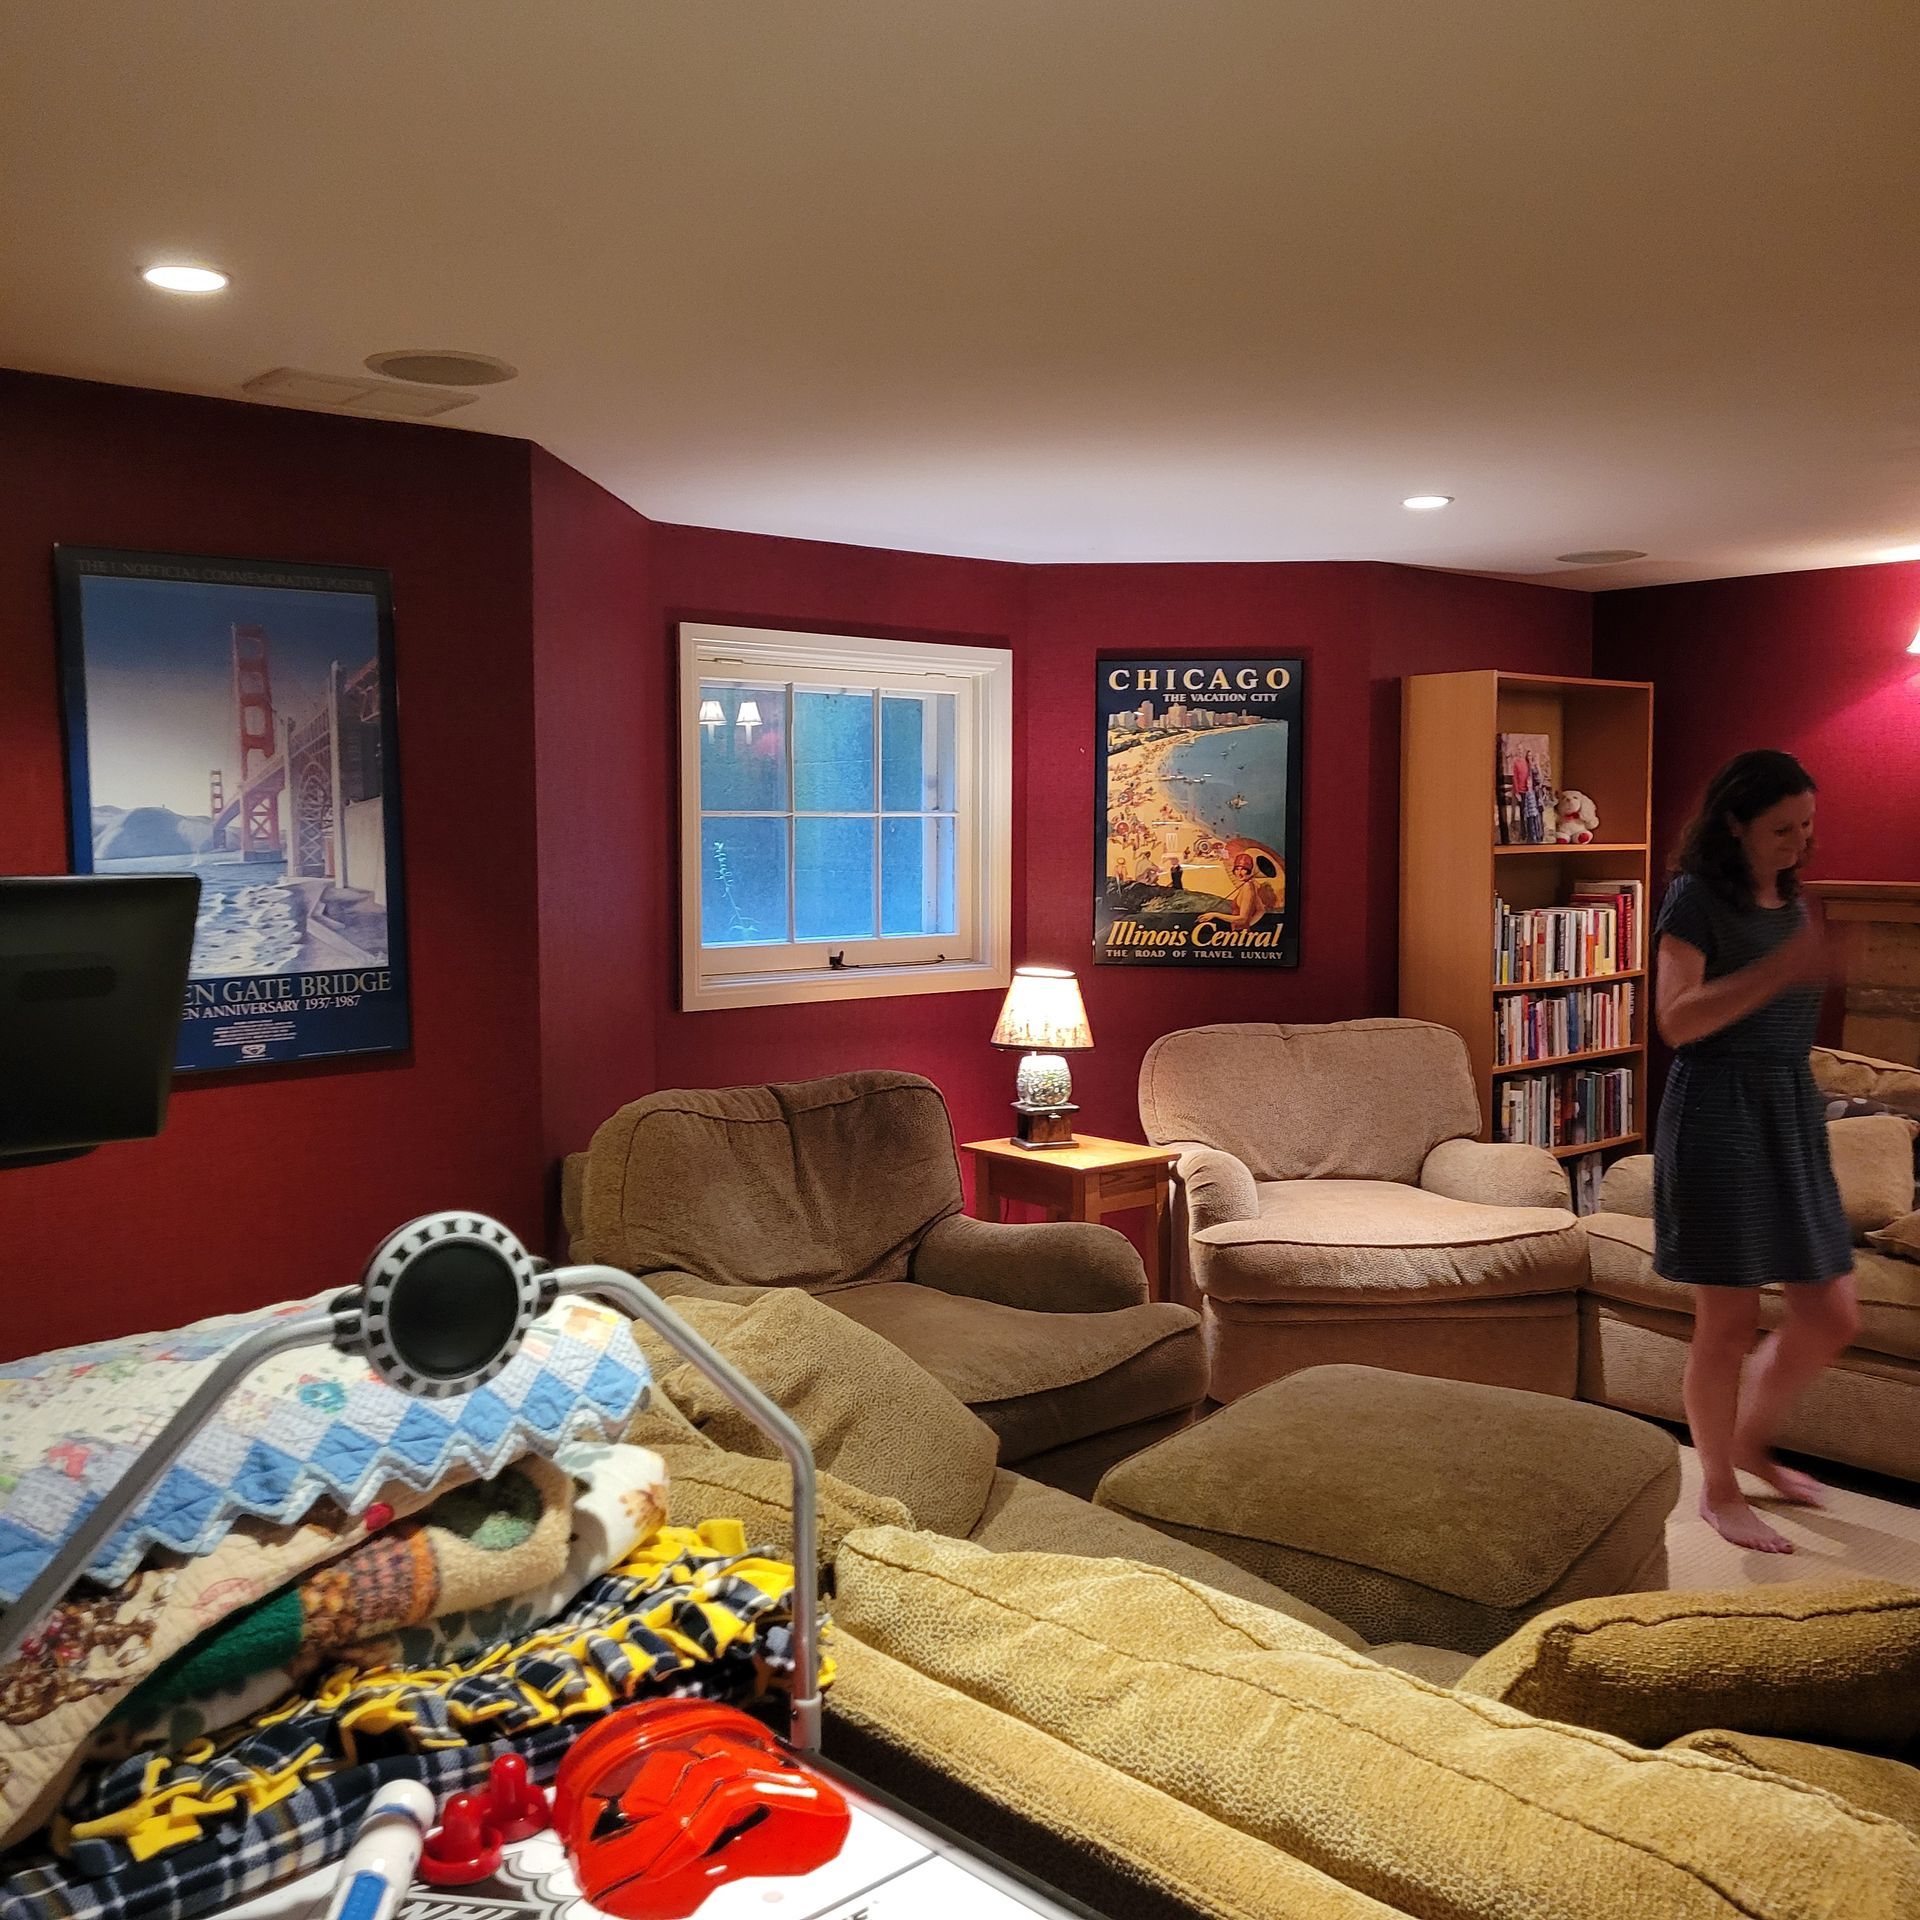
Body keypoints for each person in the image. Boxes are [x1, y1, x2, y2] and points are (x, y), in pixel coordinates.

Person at [1652, 749, 1858, 1553]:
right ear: (1733, 823)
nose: (1799, 842)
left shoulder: (1791, 896)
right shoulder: (1694, 898)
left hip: (1788, 1109)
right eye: (1781, 827)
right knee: (1727, 1322)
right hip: (1717, 1113)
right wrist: (1783, 971)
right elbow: (1678, 1020)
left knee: (1831, 1311)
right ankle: (1719, 1488)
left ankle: (1748, 1440)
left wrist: (1797, 963)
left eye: (1807, 825)